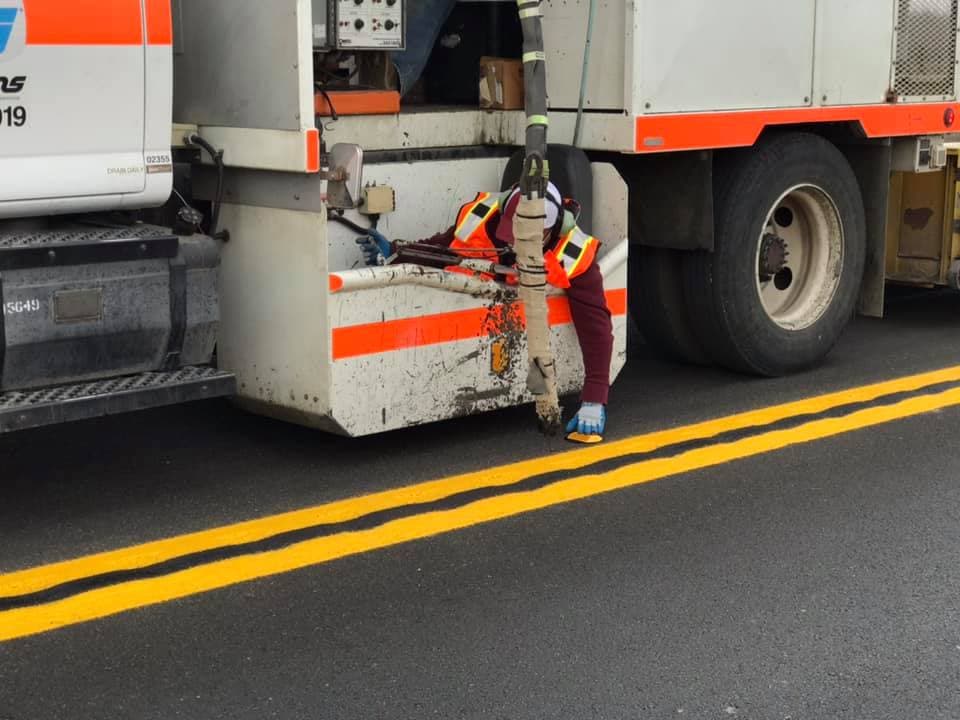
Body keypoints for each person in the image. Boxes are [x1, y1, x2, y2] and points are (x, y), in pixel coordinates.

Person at [359, 183, 613, 443]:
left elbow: (596, 327)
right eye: (511, 232)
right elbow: (443, 249)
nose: (513, 242)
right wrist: (395, 253)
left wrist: (595, 397)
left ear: (553, 229)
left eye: (525, 237)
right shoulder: (481, 217)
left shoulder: (573, 254)